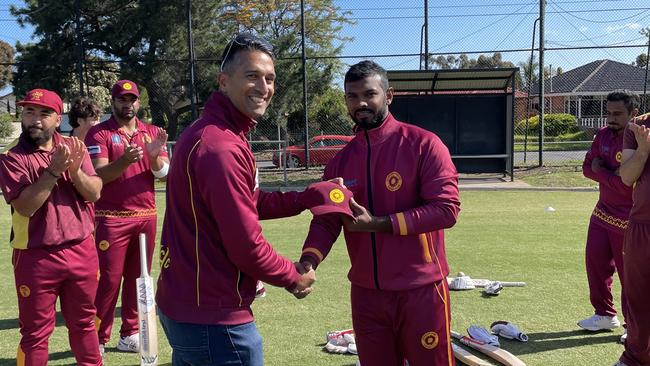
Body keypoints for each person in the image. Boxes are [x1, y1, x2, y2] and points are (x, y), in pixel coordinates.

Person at [155, 32, 335, 366]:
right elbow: (246, 247)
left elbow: (248, 202)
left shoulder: (214, 132)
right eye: (252, 76)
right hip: (214, 319)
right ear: (224, 81)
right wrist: (294, 276)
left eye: (270, 79)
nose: (263, 87)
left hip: (187, 307)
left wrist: (309, 196)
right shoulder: (220, 146)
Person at [298, 60, 461, 366]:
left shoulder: (424, 144)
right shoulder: (339, 163)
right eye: (352, 96)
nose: (360, 103)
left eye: (369, 94)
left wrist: (378, 224)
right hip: (367, 296)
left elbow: (446, 209)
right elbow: (326, 220)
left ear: (389, 95)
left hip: (421, 291)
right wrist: (309, 260)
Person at [0, 89, 103, 365]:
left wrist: (75, 171)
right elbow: (25, 206)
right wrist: (54, 171)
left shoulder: (74, 146)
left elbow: (94, 193)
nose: (35, 119)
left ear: (58, 119)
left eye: (44, 113)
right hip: (36, 256)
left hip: (81, 250)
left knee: (84, 323)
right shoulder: (12, 157)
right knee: (35, 333)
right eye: (29, 112)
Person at [85, 80, 169, 354]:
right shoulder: (99, 133)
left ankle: (130, 333)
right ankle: (97, 337)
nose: (128, 104)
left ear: (138, 102)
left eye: (132, 99)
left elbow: (162, 173)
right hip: (111, 217)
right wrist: (125, 162)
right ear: (113, 102)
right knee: (108, 279)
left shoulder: (152, 132)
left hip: (146, 215)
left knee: (140, 277)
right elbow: (98, 175)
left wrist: (154, 157)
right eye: (122, 99)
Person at [578, 91, 638, 342]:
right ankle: (604, 314)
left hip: (629, 219)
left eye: (618, 114)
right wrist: (610, 175)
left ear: (633, 114)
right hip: (602, 213)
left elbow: (627, 186)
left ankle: (632, 325)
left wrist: (602, 172)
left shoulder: (636, 140)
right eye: (609, 113)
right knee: (595, 263)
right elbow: (585, 168)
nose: (611, 119)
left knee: (630, 275)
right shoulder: (602, 134)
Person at [617, 108, 650, 366]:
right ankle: (635, 358)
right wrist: (642, 151)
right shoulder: (637, 127)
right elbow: (627, 178)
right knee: (637, 298)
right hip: (642, 226)